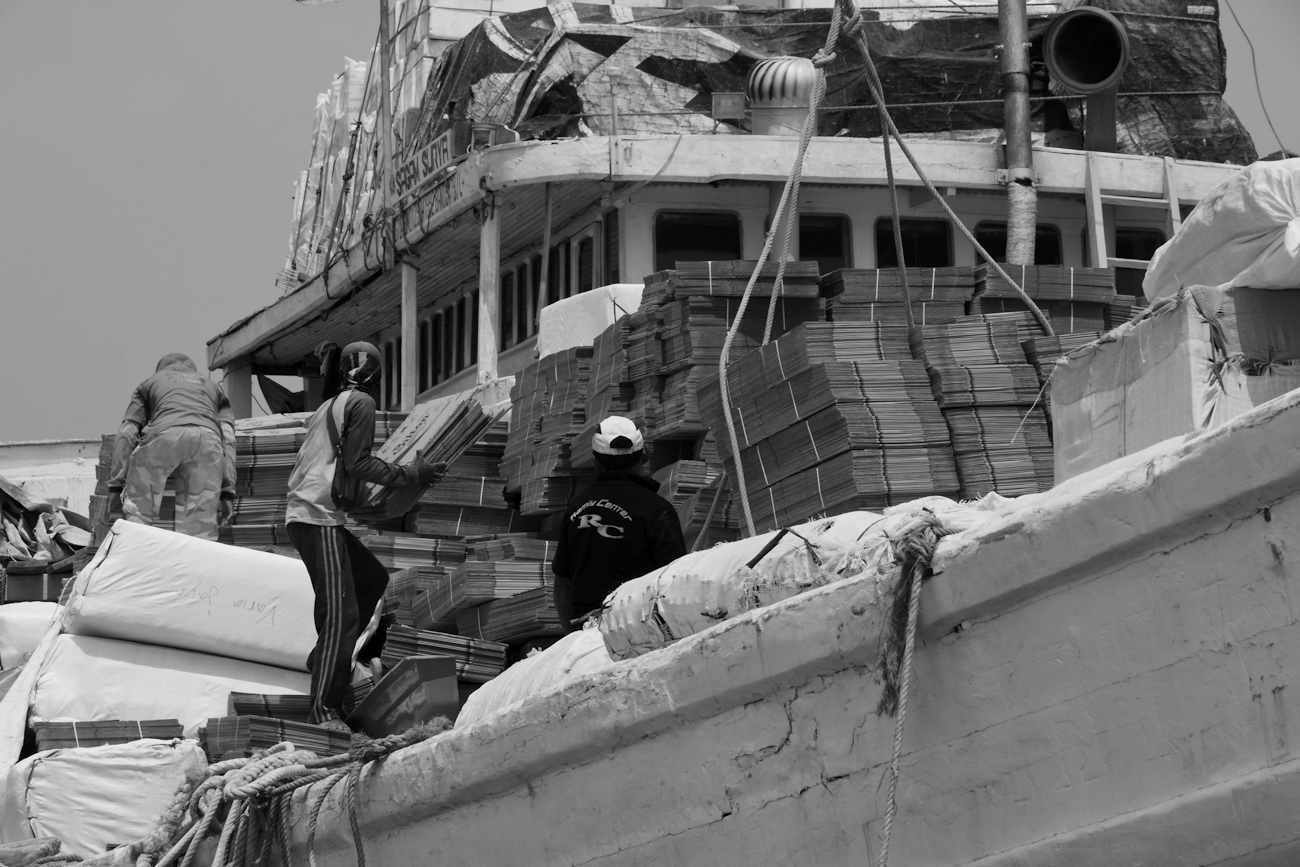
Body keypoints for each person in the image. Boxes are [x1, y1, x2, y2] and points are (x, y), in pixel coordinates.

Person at [285, 341, 446, 730]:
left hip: (315, 515)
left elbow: (333, 464)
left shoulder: (330, 405)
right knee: (341, 613)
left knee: (372, 578)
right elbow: (357, 463)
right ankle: (323, 710)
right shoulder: (361, 404)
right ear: (375, 374)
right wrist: (411, 474)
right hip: (315, 517)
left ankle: (324, 657)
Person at [551, 416, 687, 631]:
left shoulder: (575, 509)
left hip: (586, 633)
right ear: (645, 456)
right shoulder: (656, 509)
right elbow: (675, 583)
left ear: (595, 461)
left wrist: (572, 639)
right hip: (640, 633)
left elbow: (562, 588)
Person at [109, 353, 236, 542]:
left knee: (138, 518)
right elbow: (228, 438)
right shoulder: (213, 389)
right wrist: (227, 491)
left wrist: (115, 487)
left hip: (163, 437)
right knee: (199, 533)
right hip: (208, 442)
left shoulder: (150, 383)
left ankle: (137, 565)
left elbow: (127, 433)